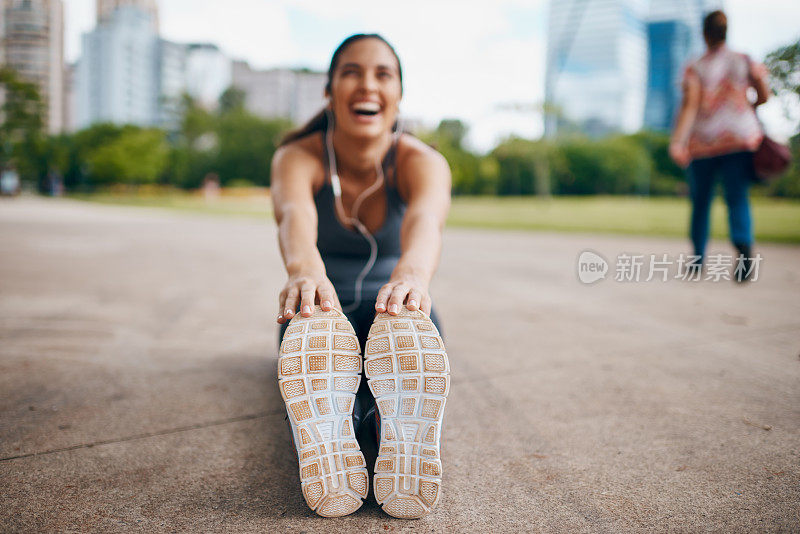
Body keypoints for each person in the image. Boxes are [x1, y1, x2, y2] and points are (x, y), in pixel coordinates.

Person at [271, 34, 451, 518]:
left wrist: (412, 276)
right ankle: (346, 430)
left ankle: (375, 427)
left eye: (382, 74)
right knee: (315, 337)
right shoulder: (298, 157)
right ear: (329, 91)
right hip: (320, 302)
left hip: (394, 303)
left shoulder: (422, 162)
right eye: (350, 72)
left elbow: (425, 222)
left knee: (407, 334)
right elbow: (294, 215)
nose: (366, 85)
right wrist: (305, 272)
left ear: (399, 94)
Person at [669, 10, 769, 281]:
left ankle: (698, 260)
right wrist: (746, 106)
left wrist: (678, 141)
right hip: (739, 139)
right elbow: (764, 93)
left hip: (704, 142)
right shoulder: (744, 60)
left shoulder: (696, 67)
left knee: (701, 201)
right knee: (737, 198)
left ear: (704, 33)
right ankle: (743, 251)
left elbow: (690, 106)